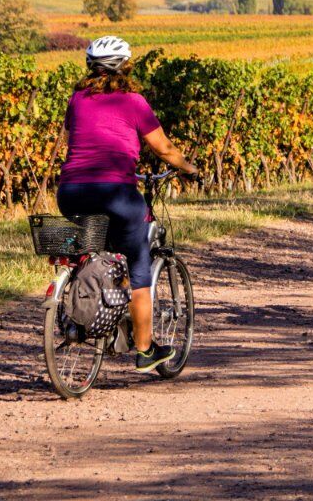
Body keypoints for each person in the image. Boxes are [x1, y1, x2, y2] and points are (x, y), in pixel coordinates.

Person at [57, 36, 199, 373]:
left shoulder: (77, 100)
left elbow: (71, 139)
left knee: (90, 250)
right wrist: (190, 168)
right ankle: (145, 350)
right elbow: (163, 149)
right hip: (116, 192)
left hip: (71, 191)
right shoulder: (133, 102)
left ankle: (83, 311)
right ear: (126, 66)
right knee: (138, 267)